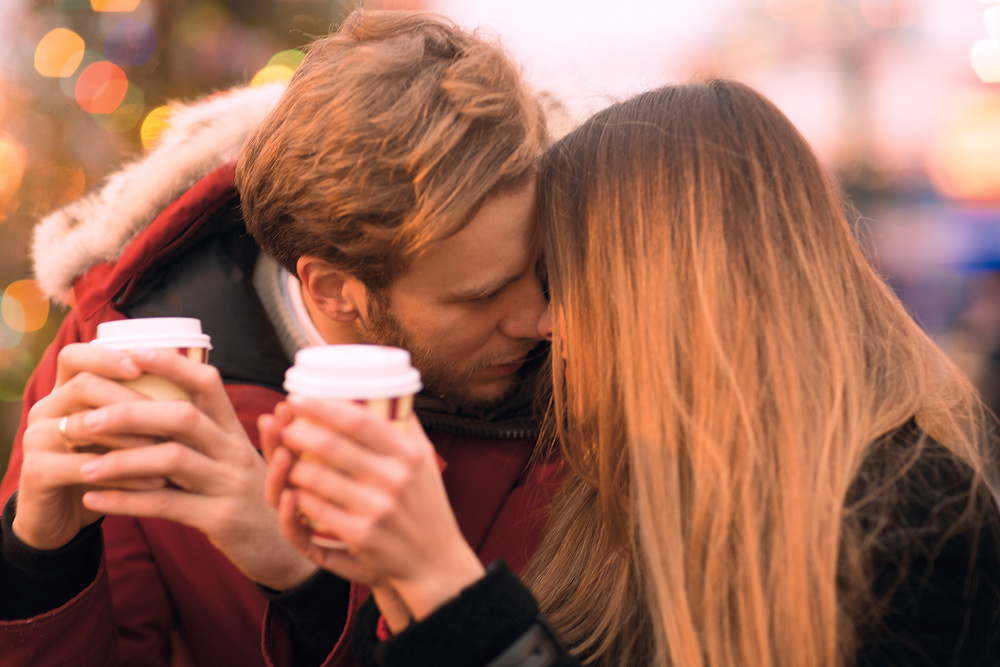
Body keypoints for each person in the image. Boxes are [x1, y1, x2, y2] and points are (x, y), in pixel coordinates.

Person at [267, 79, 1000, 667]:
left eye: (562, 279)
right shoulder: (611, 488)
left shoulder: (916, 524)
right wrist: (376, 585)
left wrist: (446, 585)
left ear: (676, 292)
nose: (545, 323)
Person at [0, 10, 559, 667]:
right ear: (330, 289)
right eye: (480, 296)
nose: (545, 319)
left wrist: (318, 589)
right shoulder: (124, 354)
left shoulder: (589, 376)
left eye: (546, 269)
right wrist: (39, 564)